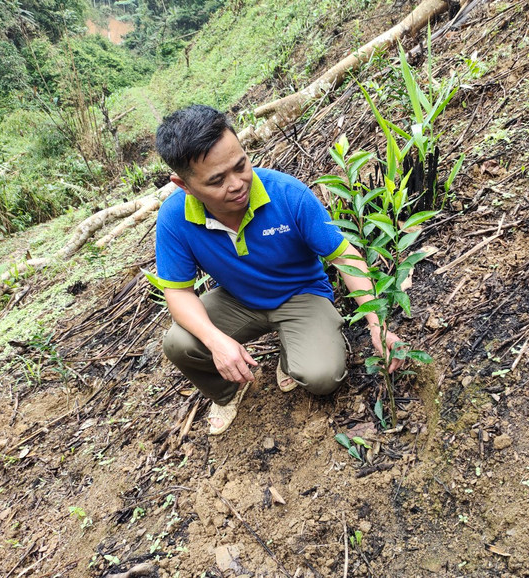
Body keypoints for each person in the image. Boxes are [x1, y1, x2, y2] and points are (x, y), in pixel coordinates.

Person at [154, 104, 403, 435]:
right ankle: (228, 390)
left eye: (240, 165)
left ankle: (293, 350)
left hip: (302, 294)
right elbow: (178, 292)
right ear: (184, 185)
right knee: (179, 343)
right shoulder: (175, 218)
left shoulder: (288, 195)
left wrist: (377, 324)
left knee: (322, 377)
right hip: (239, 299)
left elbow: (346, 257)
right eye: (216, 180)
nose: (237, 184)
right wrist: (216, 342)